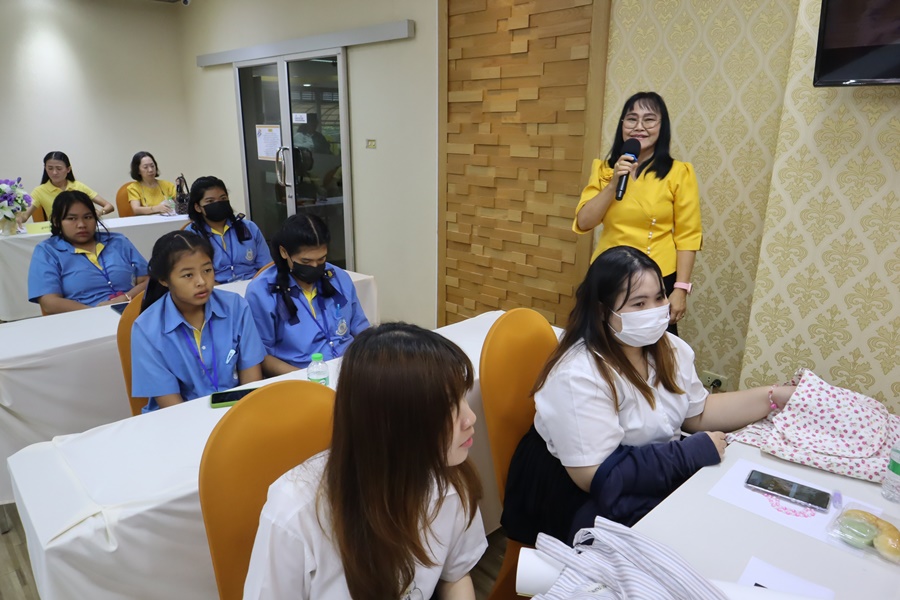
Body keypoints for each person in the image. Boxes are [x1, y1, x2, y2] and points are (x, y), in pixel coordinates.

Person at [501, 246, 797, 545]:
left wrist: (772, 397)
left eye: (659, 298)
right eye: (639, 303)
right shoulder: (578, 374)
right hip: (576, 493)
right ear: (603, 311)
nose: (655, 311)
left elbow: (697, 413)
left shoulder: (671, 348)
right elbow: (594, 475)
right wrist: (688, 454)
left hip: (645, 472)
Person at [243, 322, 487, 600]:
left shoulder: (451, 481)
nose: (470, 418)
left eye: (463, 397)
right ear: (393, 424)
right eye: (448, 406)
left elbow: (456, 575)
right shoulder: (295, 513)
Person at [573, 92, 701, 332]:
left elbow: (688, 235)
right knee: (599, 342)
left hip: (655, 279)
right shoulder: (604, 169)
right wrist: (613, 184)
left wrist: (681, 289)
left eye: (649, 119)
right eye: (631, 119)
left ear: (662, 126)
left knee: (651, 345)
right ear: (622, 125)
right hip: (608, 274)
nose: (639, 126)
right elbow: (584, 222)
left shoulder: (678, 173)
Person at [131, 231, 266, 412]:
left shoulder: (236, 307)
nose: (202, 281)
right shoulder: (146, 329)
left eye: (207, 270)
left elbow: (250, 384)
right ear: (164, 279)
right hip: (179, 419)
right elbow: (173, 408)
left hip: (237, 412)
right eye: (188, 275)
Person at [245, 214, 369, 376]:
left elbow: (362, 331)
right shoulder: (262, 292)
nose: (315, 266)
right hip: (300, 375)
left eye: (321, 259)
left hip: (349, 369)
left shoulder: (338, 277)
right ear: (284, 252)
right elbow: (262, 356)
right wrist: (306, 377)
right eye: (306, 262)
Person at [27, 191, 148, 314]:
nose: (82, 225)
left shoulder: (118, 241)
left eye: (88, 217)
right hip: (82, 317)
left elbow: (147, 280)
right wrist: (95, 312)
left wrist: (126, 298)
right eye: (72, 218)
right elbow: (49, 302)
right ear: (57, 221)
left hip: (133, 310)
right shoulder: (48, 251)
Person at [185, 176, 271, 283]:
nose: (218, 203)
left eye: (223, 198)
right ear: (198, 207)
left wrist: (256, 286)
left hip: (252, 284)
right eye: (210, 201)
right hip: (213, 288)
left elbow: (266, 267)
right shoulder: (191, 235)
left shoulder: (249, 227)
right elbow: (192, 275)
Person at [17, 151, 114, 224]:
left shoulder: (78, 186)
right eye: (50, 168)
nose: (54, 172)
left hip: (82, 229)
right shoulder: (39, 191)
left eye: (59, 168)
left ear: (68, 169)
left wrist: (100, 212)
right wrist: (14, 214)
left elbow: (109, 206)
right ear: (45, 168)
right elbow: (24, 216)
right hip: (58, 233)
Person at [127, 151, 177, 216]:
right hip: (147, 220)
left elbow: (180, 204)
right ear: (138, 170)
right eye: (145, 167)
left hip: (168, 219)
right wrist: (157, 208)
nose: (150, 170)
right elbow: (136, 210)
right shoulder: (133, 188)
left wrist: (180, 188)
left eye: (152, 166)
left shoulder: (167, 185)